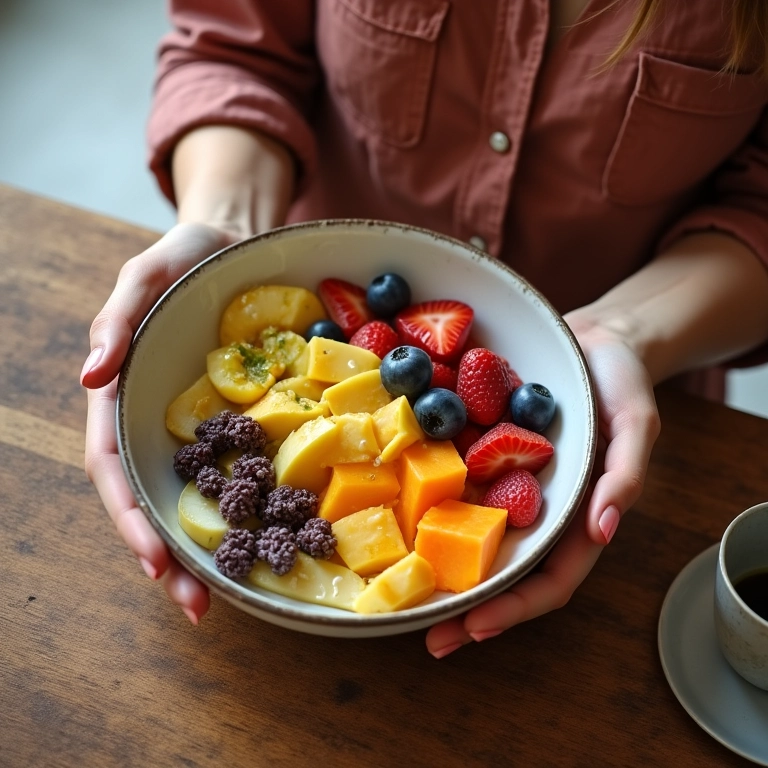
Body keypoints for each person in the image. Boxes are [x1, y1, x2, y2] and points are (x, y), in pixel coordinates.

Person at [82, 0, 768, 658]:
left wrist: (629, 332)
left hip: (650, 405)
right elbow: (235, 49)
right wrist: (228, 231)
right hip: (325, 298)